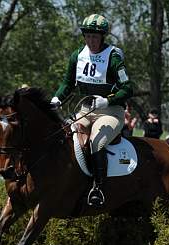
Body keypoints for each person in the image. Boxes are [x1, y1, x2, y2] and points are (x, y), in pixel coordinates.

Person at [51, 13, 133, 208]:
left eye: (95, 37)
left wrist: (107, 101)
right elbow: (67, 83)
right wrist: (56, 99)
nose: (91, 41)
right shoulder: (77, 55)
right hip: (86, 110)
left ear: (102, 37)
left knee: (96, 143)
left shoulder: (113, 57)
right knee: (66, 137)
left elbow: (128, 88)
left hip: (111, 112)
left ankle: (99, 188)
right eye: (88, 36)